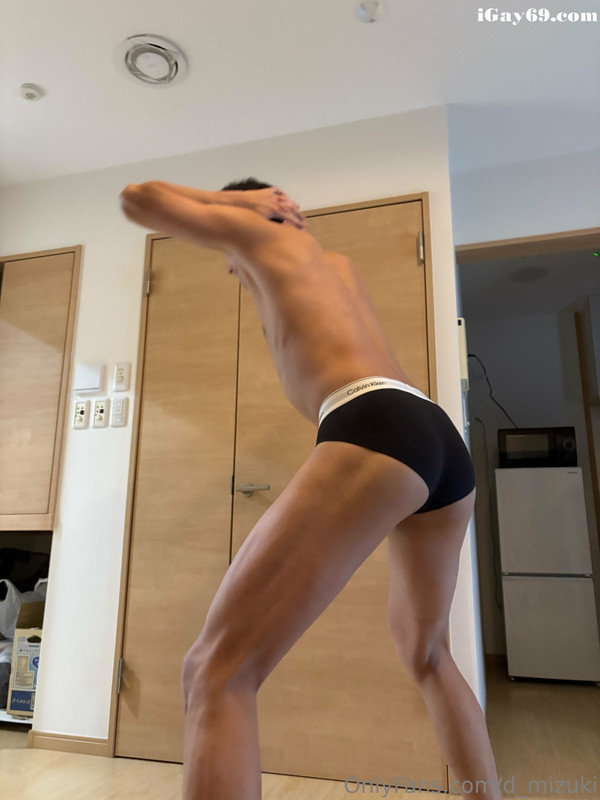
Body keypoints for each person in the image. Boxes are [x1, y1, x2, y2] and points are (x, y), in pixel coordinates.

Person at [118, 177, 501, 800]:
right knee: (427, 652)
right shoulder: (335, 264)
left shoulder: (255, 230)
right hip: (434, 435)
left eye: (227, 262)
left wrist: (240, 205)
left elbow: (137, 199)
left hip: (372, 419)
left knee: (214, 671)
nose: (232, 271)